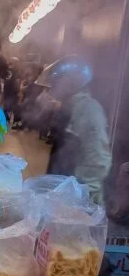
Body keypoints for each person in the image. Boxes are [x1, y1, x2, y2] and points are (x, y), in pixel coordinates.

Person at [36, 56, 111, 206]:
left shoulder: (89, 110)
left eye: (55, 83)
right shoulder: (69, 106)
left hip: (78, 199)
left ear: (70, 84)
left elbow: (98, 162)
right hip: (64, 190)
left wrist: (80, 198)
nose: (51, 88)